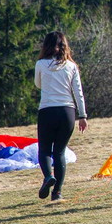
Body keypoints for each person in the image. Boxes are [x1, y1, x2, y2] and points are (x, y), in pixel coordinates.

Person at [34, 31, 88, 202]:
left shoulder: (41, 64)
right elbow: (78, 92)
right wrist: (83, 115)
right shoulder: (71, 66)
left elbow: (38, 84)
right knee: (60, 152)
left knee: (44, 150)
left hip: (47, 111)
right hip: (67, 112)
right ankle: (57, 193)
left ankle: (48, 175)